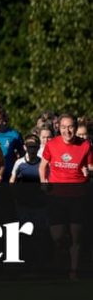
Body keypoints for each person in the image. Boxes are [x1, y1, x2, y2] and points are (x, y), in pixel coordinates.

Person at [38, 113, 93, 281]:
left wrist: (89, 171)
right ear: (58, 128)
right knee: (58, 237)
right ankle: (62, 261)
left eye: (70, 127)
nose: (67, 131)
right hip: (56, 196)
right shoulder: (52, 144)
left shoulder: (85, 145)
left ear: (75, 128)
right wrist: (43, 182)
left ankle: (73, 271)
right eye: (63, 127)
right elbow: (43, 166)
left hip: (78, 196)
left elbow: (91, 166)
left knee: (76, 235)